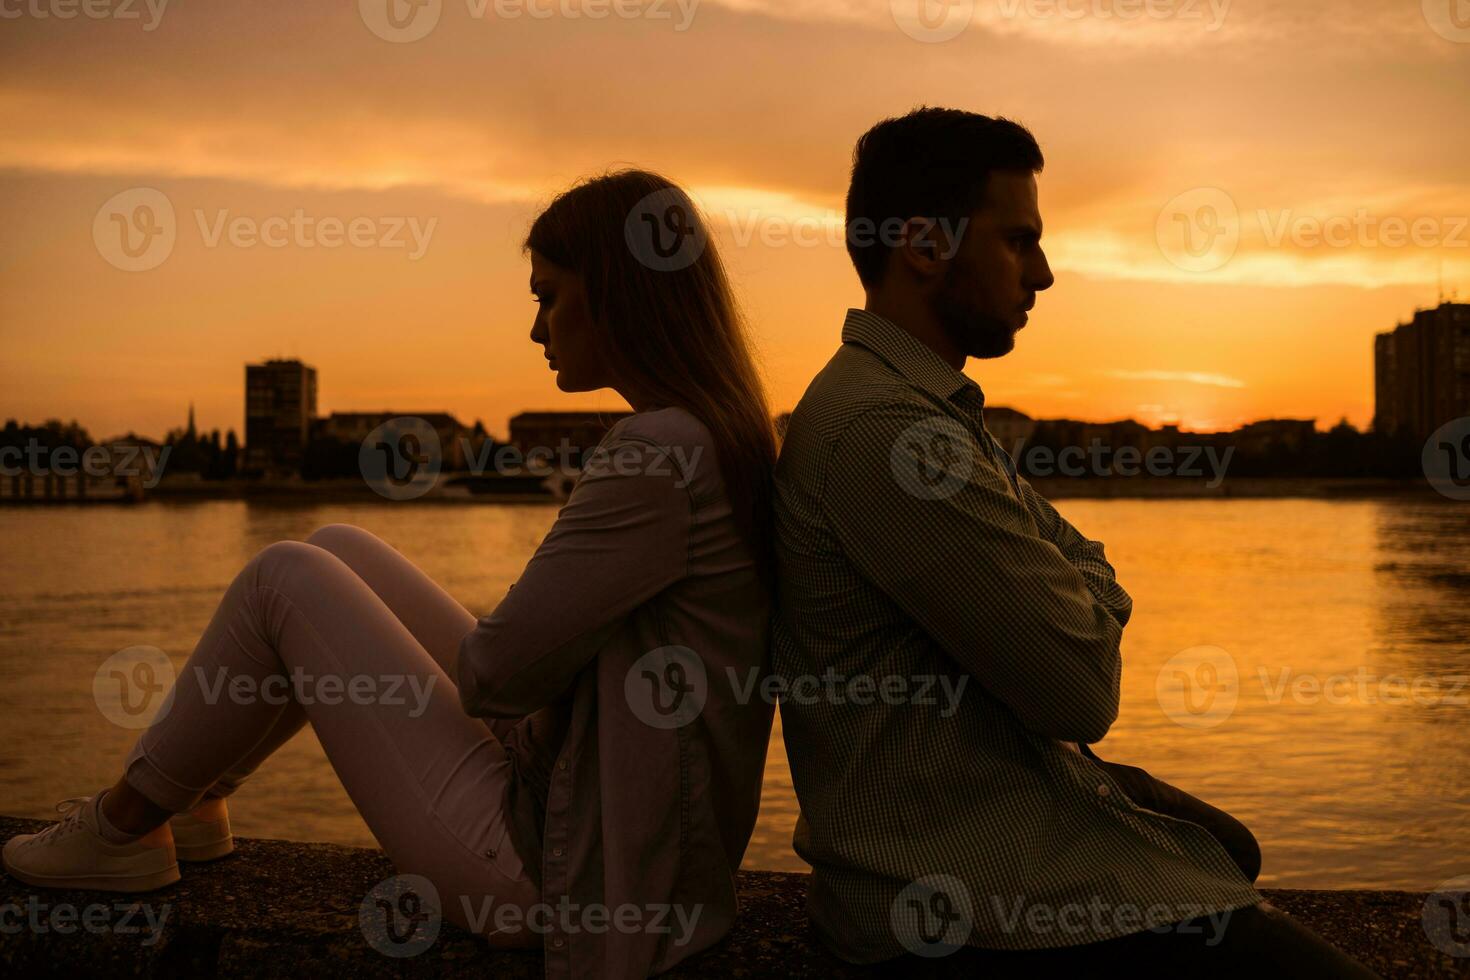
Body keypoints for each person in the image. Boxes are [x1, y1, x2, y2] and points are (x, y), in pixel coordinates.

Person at [3, 169, 779, 980]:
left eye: (547, 296)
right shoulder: (718, 436)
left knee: (283, 578)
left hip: (564, 872)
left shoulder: (656, 456)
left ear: (615, 294)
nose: (535, 328)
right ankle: (193, 798)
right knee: (338, 543)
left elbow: (495, 676)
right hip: (631, 844)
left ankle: (125, 822)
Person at [770, 107, 1377, 977]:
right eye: (1019, 242)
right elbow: (1082, 689)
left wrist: (1077, 577)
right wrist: (1088, 584)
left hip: (978, 830)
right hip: (963, 903)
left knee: (1226, 846)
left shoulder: (923, 408)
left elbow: (1070, 566)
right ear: (922, 246)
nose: (1045, 274)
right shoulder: (890, 434)